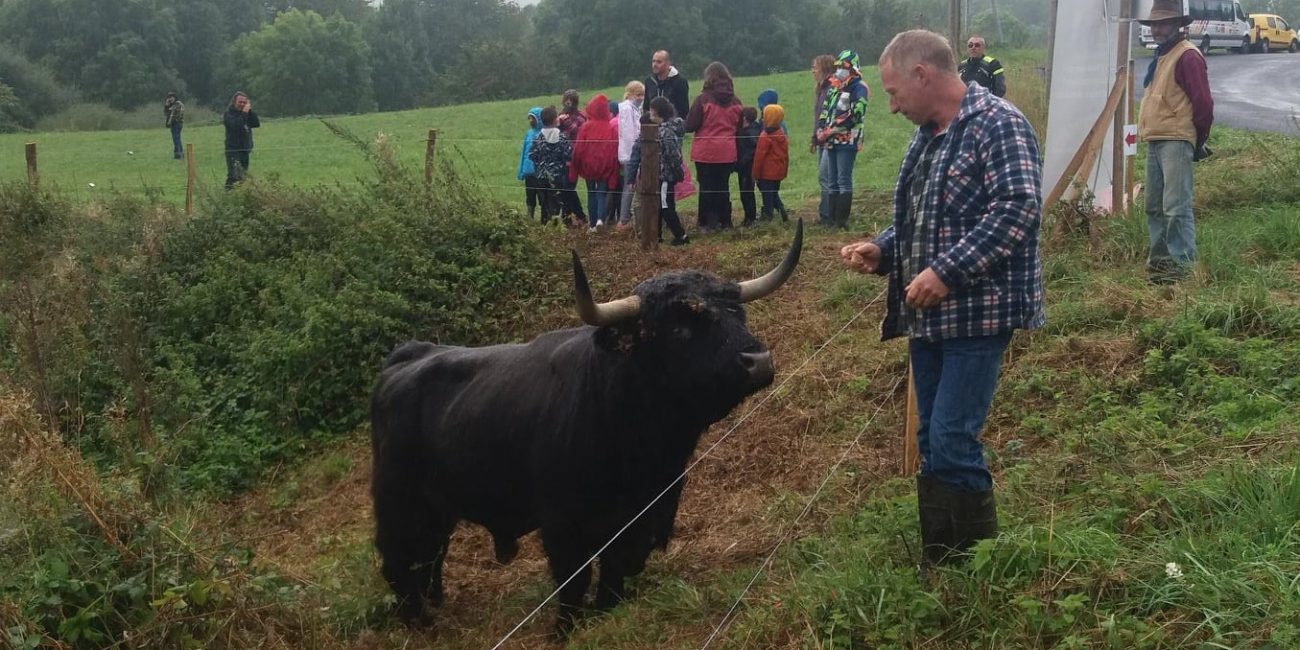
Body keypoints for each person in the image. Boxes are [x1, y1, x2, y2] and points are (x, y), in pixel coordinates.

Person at [839, 30, 1044, 569]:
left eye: (892, 91)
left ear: (922, 75)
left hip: (978, 311)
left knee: (953, 436)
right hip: (930, 315)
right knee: (931, 436)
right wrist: (882, 248)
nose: (890, 104)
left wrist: (945, 273)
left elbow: (1017, 209)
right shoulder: (928, 136)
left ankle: (975, 567)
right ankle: (944, 561)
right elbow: (921, 215)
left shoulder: (999, 124)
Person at [1138, 0, 1214, 285]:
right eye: (1155, 24)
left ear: (1177, 26)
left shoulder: (1187, 56)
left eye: (1163, 23)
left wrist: (1197, 139)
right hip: (1157, 138)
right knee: (1154, 206)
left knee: (1175, 206)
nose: (1157, 29)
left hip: (1176, 138)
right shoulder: (1163, 55)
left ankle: (1182, 269)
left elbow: (1203, 104)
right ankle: (1160, 266)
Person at [685, 61, 744, 233]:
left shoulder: (703, 99)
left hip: (706, 151)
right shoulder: (736, 101)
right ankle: (725, 222)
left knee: (706, 187)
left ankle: (706, 223)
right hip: (727, 150)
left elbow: (690, 125)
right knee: (723, 186)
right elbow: (739, 127)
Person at [816, 50, 869, 229]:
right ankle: (830, 220)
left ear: (853, 68)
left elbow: (857, 114)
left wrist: (833, 130)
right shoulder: (834, 87)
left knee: (843, 179)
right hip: (830, 141)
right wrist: (821, 129)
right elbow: (825, 111)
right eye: (838, 67)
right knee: (831, 181)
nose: (839, 70)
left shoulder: (859, 87)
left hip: (847, 140)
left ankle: (841, 221)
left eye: (843, 67)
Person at [627, 97, 689, 246]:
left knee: (665, 205)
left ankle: (681, 235)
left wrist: (677, 173)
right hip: (659, 175)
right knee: (660, 205)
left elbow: (673, 155)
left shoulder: (665, 132)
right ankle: (657, 235)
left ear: (658, 112)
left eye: (652, 111)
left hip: (665, 175)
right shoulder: (659, 129)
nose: (650, 114)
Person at [570, 94, 620, 232]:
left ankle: (592, 224)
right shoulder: (610, 128)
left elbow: (578, 149)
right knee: (601, 193)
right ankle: (600, 220)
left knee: (591, 192)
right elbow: (614, 149)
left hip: (588, 166)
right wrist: (613, 166)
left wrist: (575, 166)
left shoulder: (586, 127)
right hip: (604, 166)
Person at [528, 106, 572, 226]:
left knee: (544, 203)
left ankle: (545, 225)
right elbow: (568, 155)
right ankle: (555, 226)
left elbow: (532, 155)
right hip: (558, 175)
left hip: (541, 176)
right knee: (557, 202)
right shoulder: (562, 137)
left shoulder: (538, 138)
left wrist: (540, 164)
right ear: (555, 120)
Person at [811, 54, 838, 225]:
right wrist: (814, 138)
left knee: (826, 176)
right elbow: (818, 117)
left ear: (824, 68)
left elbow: (831, 115)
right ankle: (826, 213)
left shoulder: (832, 88)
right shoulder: (821, 89)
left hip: (830, 139)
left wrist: (825, 134)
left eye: (815, 66)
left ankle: (829, 215)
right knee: (825, 177)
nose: (812, 70)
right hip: (821, 139)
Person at [556, 89, 589, 226]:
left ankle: (579, 215)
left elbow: (582, 136)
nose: (568, 103)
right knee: (564, 189)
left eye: (571, 100)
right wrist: (558, 123)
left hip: (575, 157)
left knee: (568, 188)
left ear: (575, 102)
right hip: (560, 157)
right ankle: (567, 219)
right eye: (566, 100)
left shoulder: (581, 118)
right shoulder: (559, 116)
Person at [752, 104, 789, 223]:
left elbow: (759, 157)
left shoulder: (765, 136)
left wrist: (755, 174)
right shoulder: (781, 133)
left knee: (767, 196)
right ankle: (781, 211)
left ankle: (768, 217)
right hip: (777, 172)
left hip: (766, 173)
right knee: (773, 193)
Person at [616, 81, 645, 229]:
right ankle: (624, 219)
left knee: (632, 185)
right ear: (631, 94)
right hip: (630, 153)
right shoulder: (627, 109)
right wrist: (636, 151)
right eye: (638, 94)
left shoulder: (634, 108)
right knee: (630, 186)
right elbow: (629, 133)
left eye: (642, 95)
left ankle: (628, 217)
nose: (641, 98)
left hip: (632, 152)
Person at [223, 91, 260, 190]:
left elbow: (256, 123)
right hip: (233, 150)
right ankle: (227, 196)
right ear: (234, 102)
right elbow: (237, 126)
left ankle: (238, 196)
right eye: (240, 102)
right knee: (233, 175)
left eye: (244, 102)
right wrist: (244, 113)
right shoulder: (228, 114)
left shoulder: (246, 113)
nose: (242, 104)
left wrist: (249, 111)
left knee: (242, 176)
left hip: (245, 149)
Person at [642, 50, 690, 125]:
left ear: (668, 63)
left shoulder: (680, 82)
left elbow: (683, 110)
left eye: (659, 62)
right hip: (652, 129)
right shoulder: (649, 81)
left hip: (672, 128)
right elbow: (646, 107)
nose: (655, 64)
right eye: (653, 61)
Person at [736, 106, 761, 227]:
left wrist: (741, 163)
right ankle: (750, 217)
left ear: (744, 118)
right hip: (750, 166)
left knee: (746, 193)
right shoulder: (757, 129)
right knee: (748, 192)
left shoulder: (746, 133)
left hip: (746, 168)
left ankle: (749, 218)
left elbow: (751, 150)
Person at [164, 92, 184, 160]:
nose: (170, 98)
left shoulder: (178, 104)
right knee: (176, 139)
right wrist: (167, 105)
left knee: (176, 139)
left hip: (177, 123)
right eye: (169, 97)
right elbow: (166, 113)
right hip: (174, 124)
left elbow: (177, 115)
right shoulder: (172, 105)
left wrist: (169, 107)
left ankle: (179, 154)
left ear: (175, 97)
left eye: (172, 97)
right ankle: (178, 154)